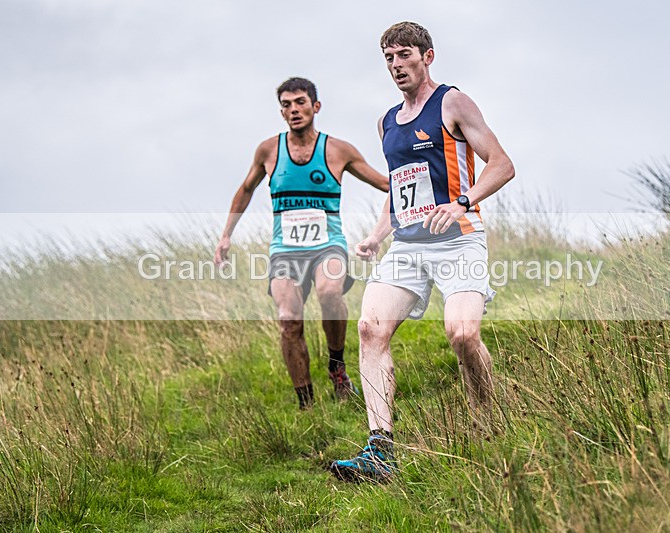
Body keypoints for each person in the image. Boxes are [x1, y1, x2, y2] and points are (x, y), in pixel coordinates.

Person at [330, 22, 515, 482]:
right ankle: (380, 452)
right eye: (389, 58)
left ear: (427, 56)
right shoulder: (386, 122)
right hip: (408, 246)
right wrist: (378, 234)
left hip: (459, 239)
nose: (396, 65)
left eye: (404, 55)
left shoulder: (452, 103)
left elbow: (503, 164)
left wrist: (462, 203)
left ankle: (488, 422)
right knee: (370, 330)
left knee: (462, 334)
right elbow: (399, 189)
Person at [214, 77, 388, 410]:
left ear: (315, 106)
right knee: (288, 318)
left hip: (328, 244)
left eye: (300, 102)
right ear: (281, 111)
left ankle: (337, 368)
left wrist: (424, 184)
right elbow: (246, 189)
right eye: (286, 104)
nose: (293, 110)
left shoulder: (338, 150)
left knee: (329, 292)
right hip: (285, 250)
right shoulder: (268, 150)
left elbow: (384, 182)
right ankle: (306, 403)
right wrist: (226, 235)